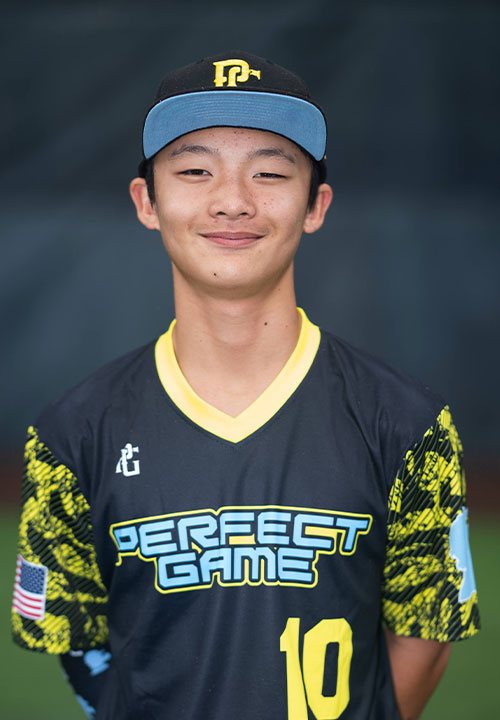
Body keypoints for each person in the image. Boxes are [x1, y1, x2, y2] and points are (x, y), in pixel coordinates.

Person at [11, 50, 479, 720]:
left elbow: (425, 634)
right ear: (147, 202)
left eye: (270, 173)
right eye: (195, 171)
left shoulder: (407, 423)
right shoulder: (72, 434)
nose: (232, 201)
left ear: (315, 205)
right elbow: (76, 641)